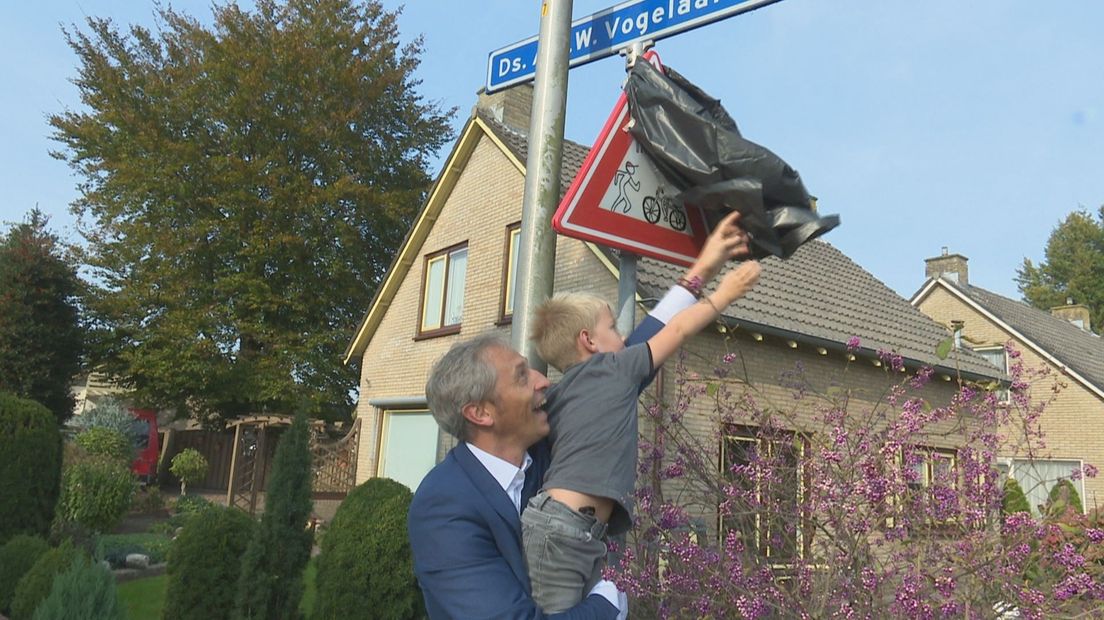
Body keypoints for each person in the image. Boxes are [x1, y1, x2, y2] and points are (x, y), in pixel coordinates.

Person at [408, 213, 753, 619]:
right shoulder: (444, 506)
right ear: (481, 413)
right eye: (522, 376)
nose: (541, 380)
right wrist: (607, 605)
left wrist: (701, 271)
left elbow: (622, 363)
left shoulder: (546, 443)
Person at [522, 212, 761, 612]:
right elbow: (675, 330)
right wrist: (725, 293)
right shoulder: (616, 370)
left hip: (570, 529)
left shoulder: (566, 392)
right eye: (613, 328)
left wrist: (704, 267)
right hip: (563, 529)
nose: (623, 336)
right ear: (589, 341)